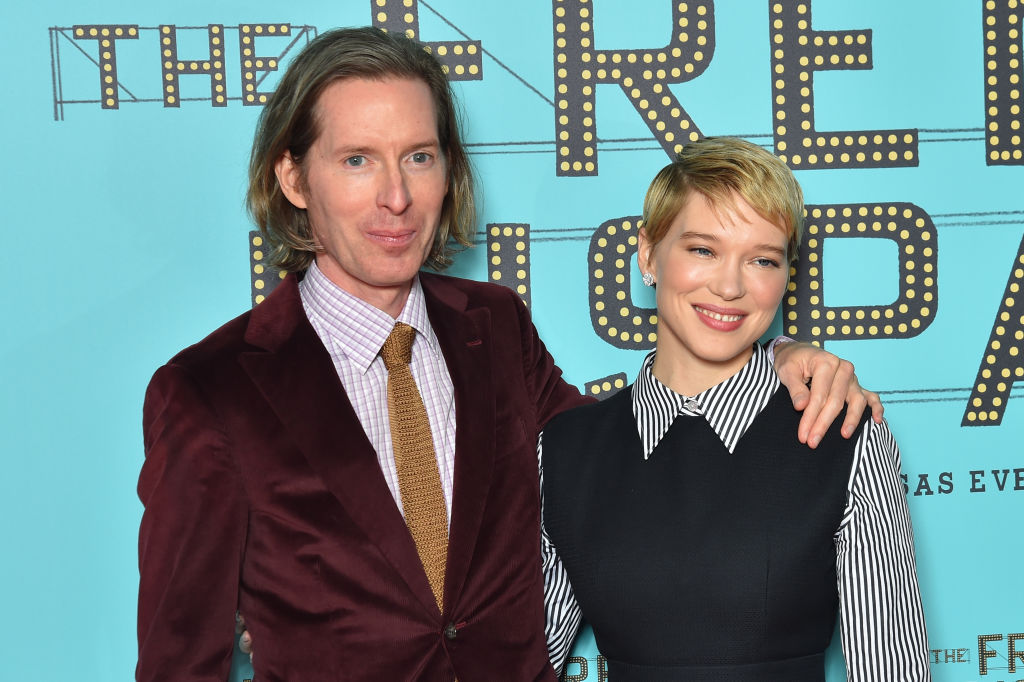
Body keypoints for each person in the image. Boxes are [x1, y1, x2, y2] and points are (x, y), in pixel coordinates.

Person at [137, 27, 882, 681]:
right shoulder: (210, 393)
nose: (396, 197)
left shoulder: (495, 329)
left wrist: (772, 350)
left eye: (420, 157)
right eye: (358, 160)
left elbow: (631, 464)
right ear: (293, 177)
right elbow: (180, 661)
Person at [540, 137, 930, 681]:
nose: (729, 286)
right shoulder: (564, 451)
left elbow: (891, 671)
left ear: (787, 275)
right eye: (703, 249)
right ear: (649, 254)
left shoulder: (842, 434)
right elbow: (527, 662)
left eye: (762, 260)